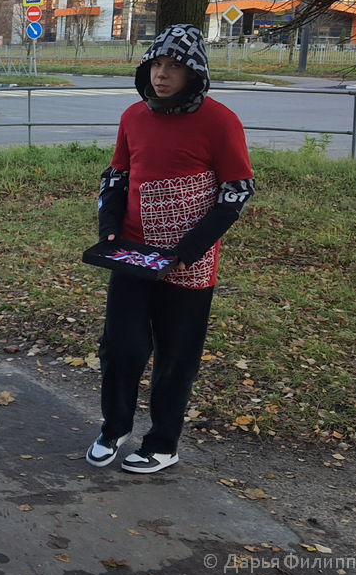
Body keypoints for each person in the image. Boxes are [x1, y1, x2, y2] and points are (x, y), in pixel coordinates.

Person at [86, 24, 255, 474]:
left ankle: (163, 443)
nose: (162, 74)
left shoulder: (220, 121)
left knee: (176, 357)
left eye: (175, 66)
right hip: (134, 255)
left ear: (194, 72)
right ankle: (114, 427)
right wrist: (108, 228)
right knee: (120, 346)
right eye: (157, 64)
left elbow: (236, 192)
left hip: (189, 263)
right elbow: (116, 178)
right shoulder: (133, 117)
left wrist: (188, 249)